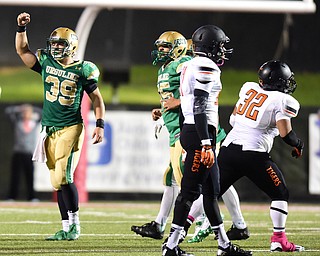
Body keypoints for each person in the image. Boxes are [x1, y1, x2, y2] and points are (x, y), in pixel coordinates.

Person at [162, 25, 252, 256]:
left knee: (212, 191)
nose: (223, 50)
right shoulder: (205, 66)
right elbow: (199, 106)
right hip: (201, 132)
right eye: (220, 45)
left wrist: (187, 133)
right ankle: (170, 246)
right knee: (190, 192)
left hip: (194, 130)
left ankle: (223, 245)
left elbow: (186, 106)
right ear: (211, 46)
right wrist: (204, 143)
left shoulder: (189, 65)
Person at [15, 12, 105, 241]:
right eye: (53, 43)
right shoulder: (46, 62)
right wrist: (21, 29)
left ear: (71, 47)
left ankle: (75, 226)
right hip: (49, 129)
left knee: (63, 177)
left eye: (60, 44)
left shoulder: (83, 69)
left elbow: (96, 98)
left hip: (70, 127)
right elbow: (23, 51)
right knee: (56, 181)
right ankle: (65, 227)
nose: (55, 47)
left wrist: (100, 124)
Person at [217, 60, 305, 252]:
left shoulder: (249, 89)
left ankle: (179, 231)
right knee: (280, 193)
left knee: (210, 192)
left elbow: (233, 119)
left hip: (228, 149)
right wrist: (298, 144)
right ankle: (279, 239)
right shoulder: (281, 100)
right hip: (253, 155)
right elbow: (286, 134)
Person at [131, 31, 192, 239]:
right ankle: (158, 225)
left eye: (165, 47)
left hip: (186, 130)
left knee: (188, 184)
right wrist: (162, 110)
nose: (161, 51)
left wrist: (179, 103)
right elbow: (170, 97)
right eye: (160, 47)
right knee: (171, 179)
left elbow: (200, 90)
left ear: (178, 48)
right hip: (175, 130)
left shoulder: (184, 63)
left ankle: (199, 224)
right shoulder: (165, 69)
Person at [5, 104, 42, 202]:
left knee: (30, 176)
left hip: (29, 153)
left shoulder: (34, 123)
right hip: (18, 152)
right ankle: (12, 196)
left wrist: (32, 108)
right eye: (24, 112)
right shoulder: (17, 122)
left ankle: (32, 196)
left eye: (28, 112)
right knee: (15, 176)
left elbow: (42, 113)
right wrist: (19, 108)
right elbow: (8, 111)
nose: (26, 114)